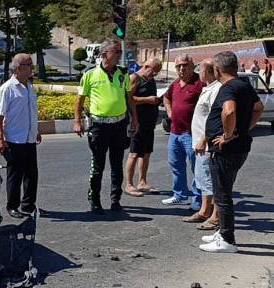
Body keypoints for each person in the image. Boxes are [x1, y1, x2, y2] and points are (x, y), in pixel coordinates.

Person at [199, 51, 263, 253]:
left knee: (222, 195)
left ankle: (227, 240)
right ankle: (223, 232)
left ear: (218, 70)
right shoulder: (244, 85)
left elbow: (229, 111)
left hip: (225, 150)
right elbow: (258, 107)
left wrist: (227, 135)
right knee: (224, 191)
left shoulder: (227, 89)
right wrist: (243, 129)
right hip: (239, 146)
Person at [73, 39, 139, 214]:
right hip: (99, 127)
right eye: (115, 51)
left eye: (119, 51)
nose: (119, 55)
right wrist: (77, 121)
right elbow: (80, 100)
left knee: (117, 165)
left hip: (119, 125)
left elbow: (129, 98)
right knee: (98, 166)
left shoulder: (123, 73)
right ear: (104, 55)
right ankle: (94, 200)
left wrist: (135, 119)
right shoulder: (89, 75)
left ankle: (115, 200)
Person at [0, 53, 41, 219]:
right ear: (20, 68)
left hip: (28, 138)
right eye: (30, 65)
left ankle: (28, 204)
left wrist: (36, 130)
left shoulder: (29, 86)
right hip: (14, 139)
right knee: (15, 175)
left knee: (32, 173)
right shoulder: (7, 88)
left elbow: (31, 111)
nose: (32, 68)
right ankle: (12, 206)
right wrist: (0, 139)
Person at [183, 58, 221, 230]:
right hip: (199, 143)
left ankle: (214, 215)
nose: (198, 72)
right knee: (201, 178)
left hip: (205, 144)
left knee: (209, 180)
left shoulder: (216, 90)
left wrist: (204, 139)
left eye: (201, 69)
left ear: (210, 71)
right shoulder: (208, 88)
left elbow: (215, 119)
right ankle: (205, 211)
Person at [162, 54, 204, 210]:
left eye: (185, 65)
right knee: (176, 165)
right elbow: (166, 98)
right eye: (178, 66)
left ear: (192, 65)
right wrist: (169, 111)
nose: (181, 68)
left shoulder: (200, 83)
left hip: (192, 134)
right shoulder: (175, 84)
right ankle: (179, 195)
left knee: (197, 168)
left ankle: (198, 200)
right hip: (175, 133)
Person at [124, 58, 162, 197]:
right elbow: (128, 99)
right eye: (153, 71)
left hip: (149, 123)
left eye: (156, 73)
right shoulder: (134, 78)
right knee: (134, 154)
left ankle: (142, 182)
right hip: (137, 122)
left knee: (146, 153)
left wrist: (156, 100)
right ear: (146, 66)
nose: (154, 75)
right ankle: (128, 184)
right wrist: (147, 100)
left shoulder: (150, 79)